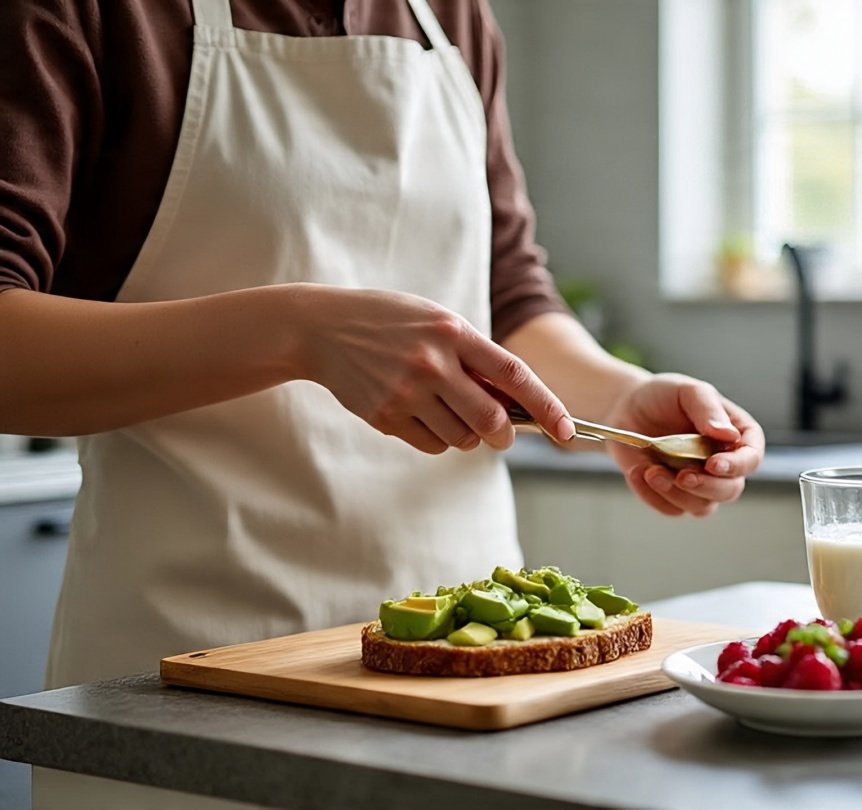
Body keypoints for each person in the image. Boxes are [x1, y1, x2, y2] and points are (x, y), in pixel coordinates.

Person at [0, 0, 765, 689]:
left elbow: (507, 297)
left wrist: (621, 395)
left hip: (474, 659)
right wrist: (300, 331)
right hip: (190, 661)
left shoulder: (452, 14)